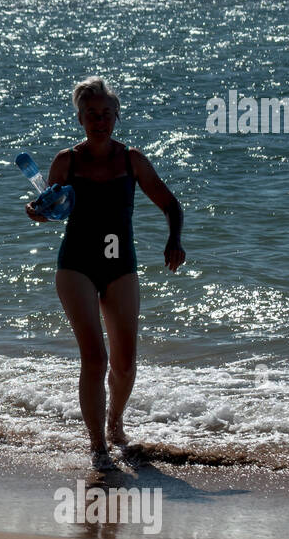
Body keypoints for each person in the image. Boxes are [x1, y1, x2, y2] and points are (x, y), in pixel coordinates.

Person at [26, 77, 185, 471]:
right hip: (76, 265)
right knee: (95, 358)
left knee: (126, 363)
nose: (100, 121)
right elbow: (54, 208)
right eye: (92, 115)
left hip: (120, 266)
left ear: (116, 116)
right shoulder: (68, 161)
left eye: (106, 114)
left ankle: (115, 423)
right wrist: (38, 211)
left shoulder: (132, 160)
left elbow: (170, 204)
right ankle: (98, 446)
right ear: (80, 118)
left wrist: (174, 241)